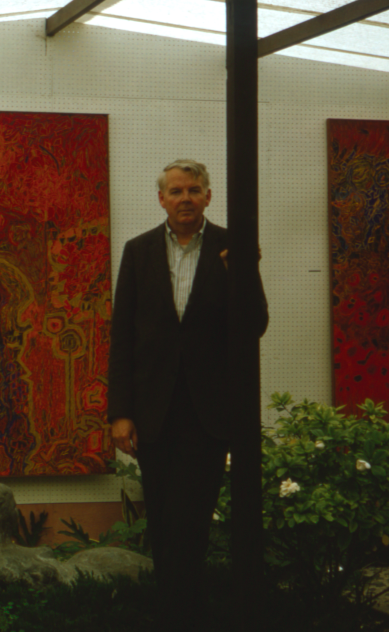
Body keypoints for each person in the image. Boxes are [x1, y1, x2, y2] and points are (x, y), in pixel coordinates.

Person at [107, 159, 268, 630]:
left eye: (193, 190)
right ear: (161, 199)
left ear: (208, 197)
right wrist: (120, 412)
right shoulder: (138, 252)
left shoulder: (227, 248)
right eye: (175, 191)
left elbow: (253, 325)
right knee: (162, 520)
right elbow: (122, 337)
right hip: (153, 413)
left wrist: (244, 271)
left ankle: (181, 615)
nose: (185, 199)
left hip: (207, 413)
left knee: (192, 521)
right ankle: (180, 613)